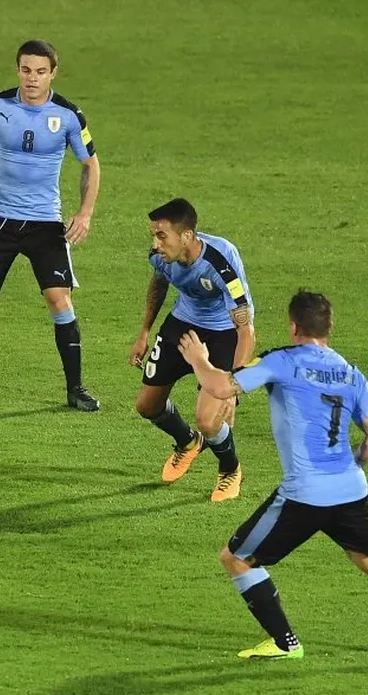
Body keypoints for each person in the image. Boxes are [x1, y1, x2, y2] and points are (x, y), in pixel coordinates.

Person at [177, 289, 368, 661]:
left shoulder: (282, 361)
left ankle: (286, 643)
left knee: (236, 558)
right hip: (350, 489)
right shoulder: (351, 373)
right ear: (329, 328)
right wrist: (349, 466)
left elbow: (221, 387)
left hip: (303, 493)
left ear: (293, 327)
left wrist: (199, 359)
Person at [0, 39, 101, 411]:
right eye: (26, 69)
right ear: (18, 70)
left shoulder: (69, 115)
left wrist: (85, 212)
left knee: (60, 300)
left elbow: (90, 163)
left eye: (41, 71)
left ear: (53, 73)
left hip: (45, 224)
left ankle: (75, 388)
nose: (32, 78)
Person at [129, 198, 255, 501]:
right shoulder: (160, 257)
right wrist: (144, 332)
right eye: (153, 235)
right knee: (147, 406)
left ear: (186, 236)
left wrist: (233, 384)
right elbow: (160, 282)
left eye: (162, 236)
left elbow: (246, 328)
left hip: (223, 334)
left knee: (208, 419)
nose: (155, 244)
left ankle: (230, 469)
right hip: (181, 325)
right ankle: (187, 443)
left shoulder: (221, 263)